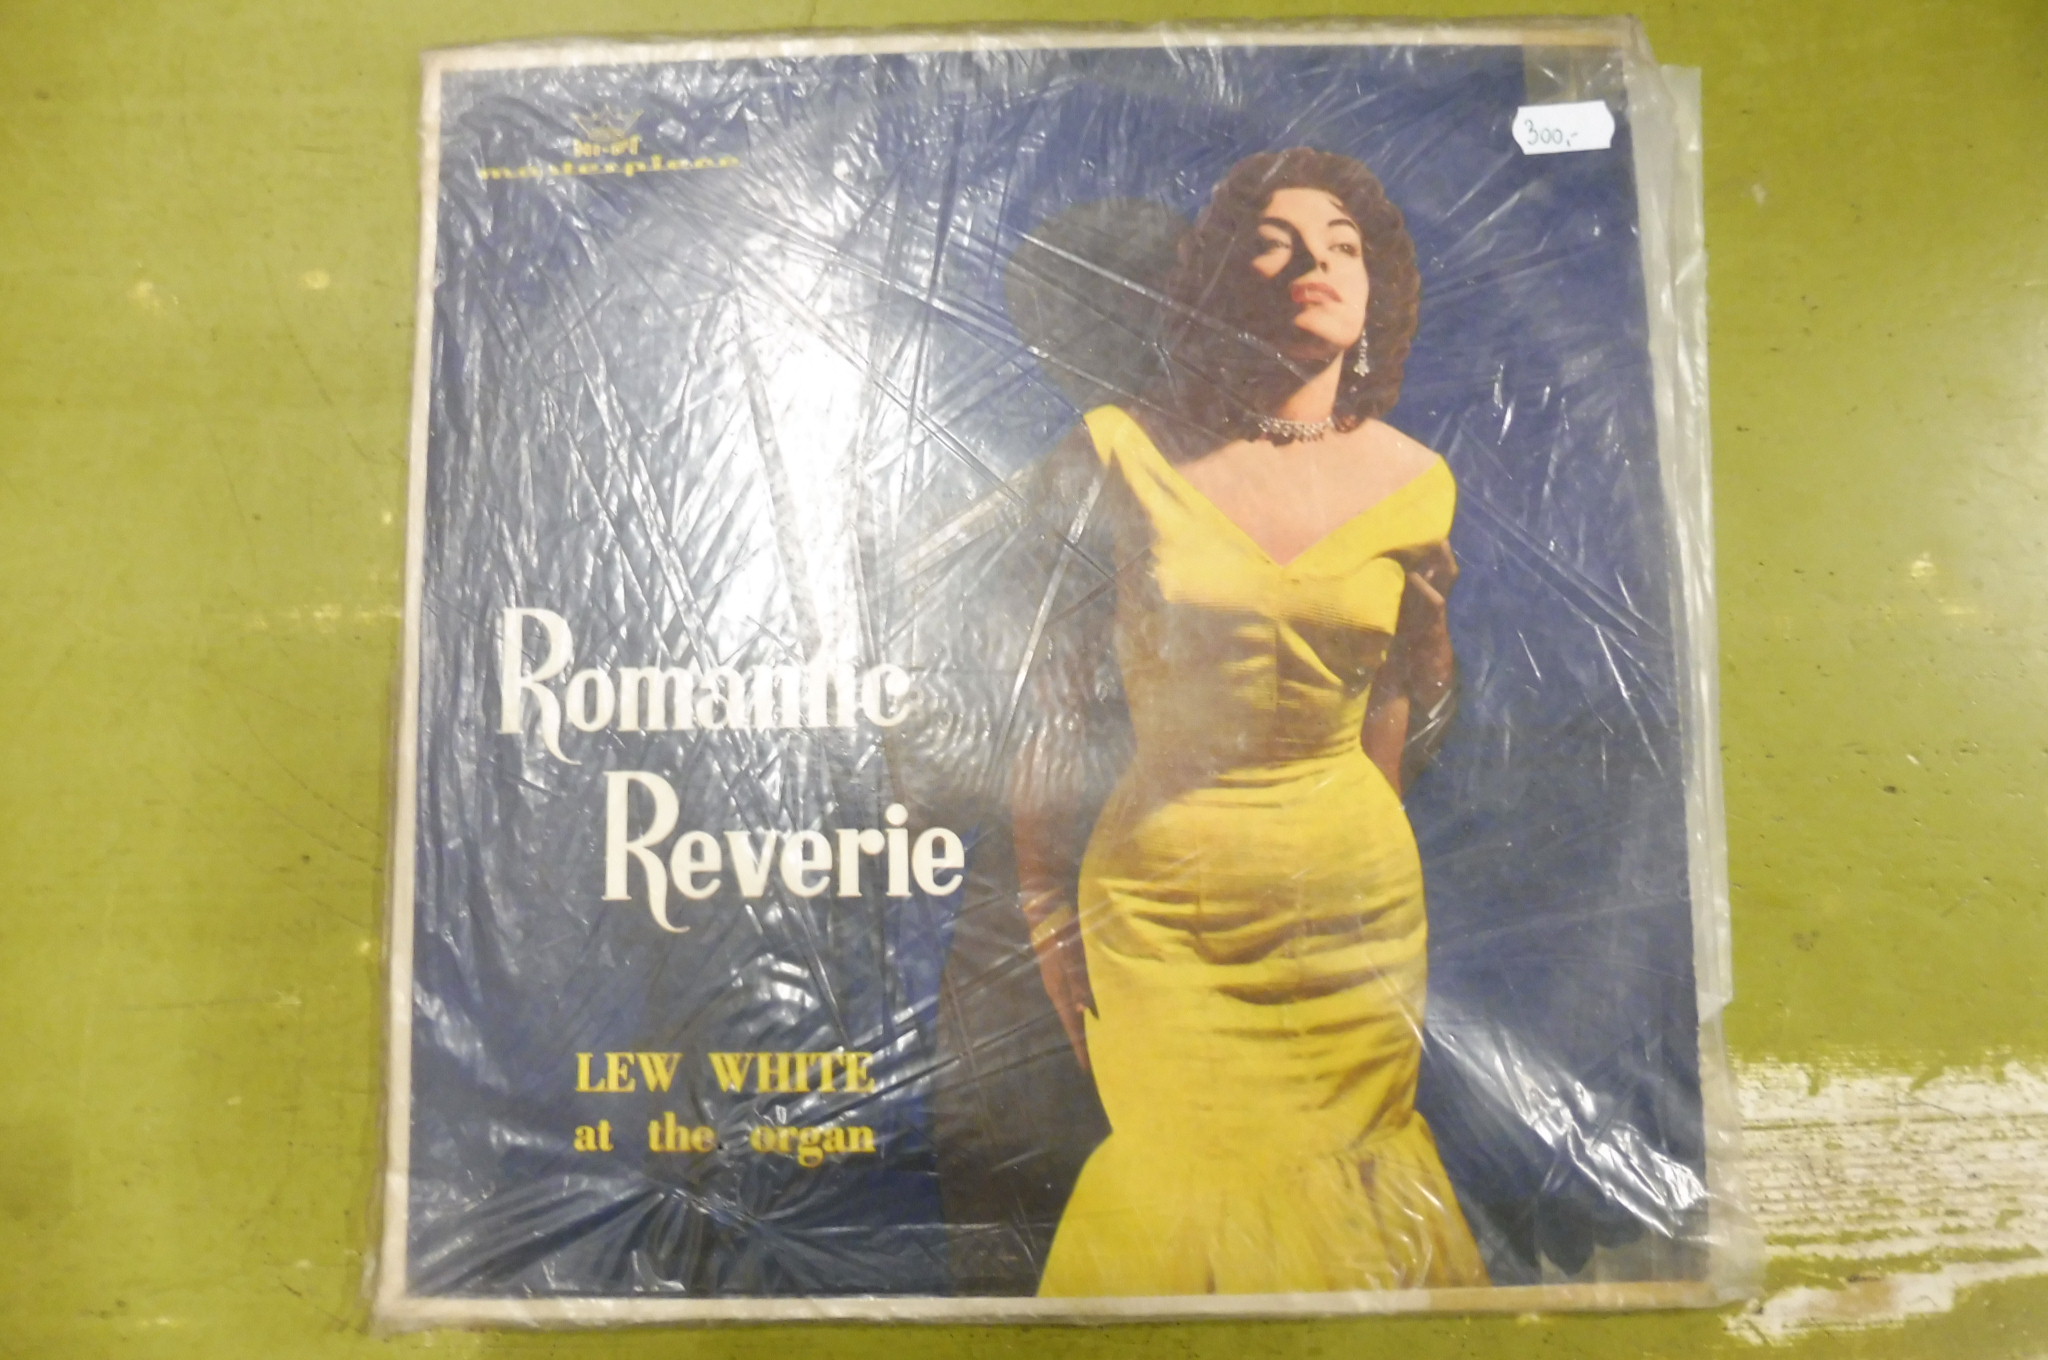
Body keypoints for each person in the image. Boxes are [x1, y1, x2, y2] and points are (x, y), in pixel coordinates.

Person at [1010, 147, 1489, 1296]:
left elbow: (1390, 704)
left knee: (1354, 1187)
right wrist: (1041, 904)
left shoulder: (1416, 480)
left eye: (1340, 246)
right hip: (1163, 906)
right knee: (1183, 1180)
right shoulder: (1116, 448)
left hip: (1354, 907)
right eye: (1272, 243)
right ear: (1223, 278)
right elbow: (1048, 693)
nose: (1310, 262)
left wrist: (1425, 658)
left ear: (1374, 294)